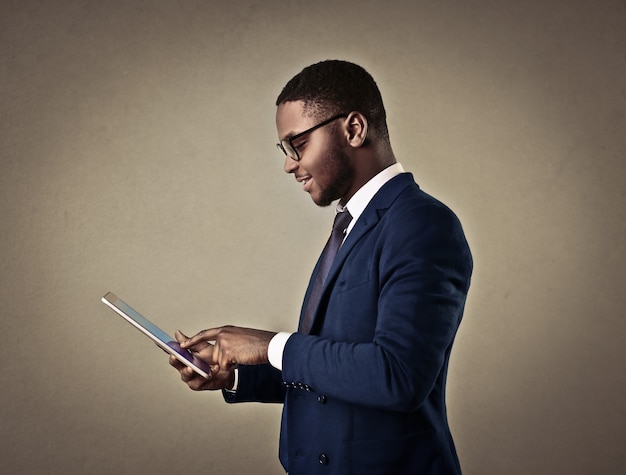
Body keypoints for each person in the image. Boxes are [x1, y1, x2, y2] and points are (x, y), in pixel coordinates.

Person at [169, 60, 473, 475]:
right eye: (285, 150)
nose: (289, 164)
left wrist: (271, 345)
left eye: (298, 143)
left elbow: (397, 376)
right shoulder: (349, 227)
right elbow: (334, 370)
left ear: (353, 129)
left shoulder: (423, 224)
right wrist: (234, 374)